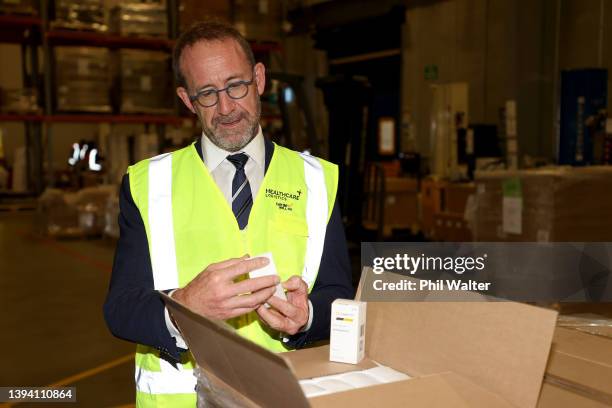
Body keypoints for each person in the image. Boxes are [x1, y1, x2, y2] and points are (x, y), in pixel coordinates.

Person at [103, 21, 353, 407]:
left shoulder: (318, 180)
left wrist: (306, 317)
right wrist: (183, 309)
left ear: (259, 79)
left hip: (281, 398)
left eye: (236, 86)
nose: (225, 108)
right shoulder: (147, 184)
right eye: (207, 94)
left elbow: (338, 298)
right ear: (187, 99)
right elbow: (121, 308)